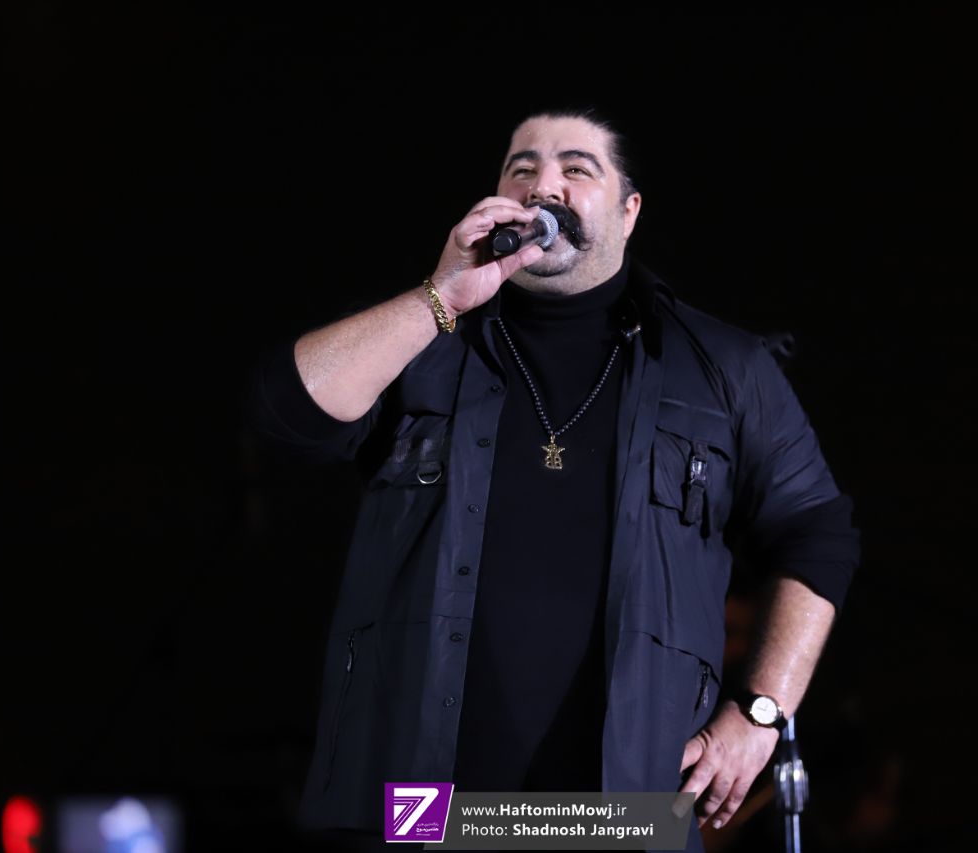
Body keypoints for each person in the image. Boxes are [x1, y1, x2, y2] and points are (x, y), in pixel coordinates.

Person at [249, 108, 860, 852]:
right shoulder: (426, 338)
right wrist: (440, 296)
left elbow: (818, 533)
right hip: (426, 811)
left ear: (629, 211)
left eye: (576, 168)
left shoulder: (722, 366)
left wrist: (760, 714)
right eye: (522, 168)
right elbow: (288, 416)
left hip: (628, 815)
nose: (544, 187)